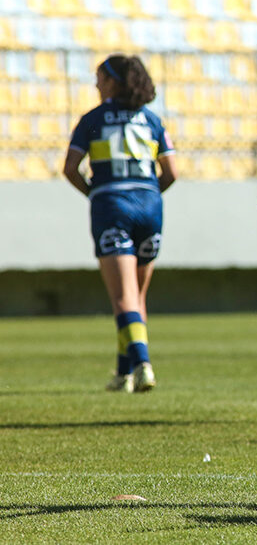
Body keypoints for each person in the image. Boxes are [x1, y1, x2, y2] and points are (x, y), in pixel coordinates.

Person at [62, 54, 177, 393]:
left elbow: (70, 168)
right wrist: (150, 195)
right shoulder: (152, 120)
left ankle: (142, 365)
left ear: (112, 82)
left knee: (123, 297)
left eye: (100, 78)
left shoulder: (93, 119)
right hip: (151, 207)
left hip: (111, 205)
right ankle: (123, 372)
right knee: (136, 296)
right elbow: (171, 173)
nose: (96, 84)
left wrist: (95, 194)